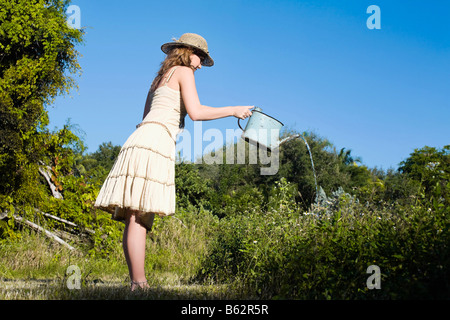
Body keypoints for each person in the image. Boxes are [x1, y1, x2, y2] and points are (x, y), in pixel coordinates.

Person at [94, 33, 253, 291]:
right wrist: (233, 110)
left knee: (134, 216)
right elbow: (196, 112)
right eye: (200, 56)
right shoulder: (184, 72)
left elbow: (145, 116)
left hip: (139, 138)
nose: (200, 64)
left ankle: (137, 282)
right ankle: (139, 283)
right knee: (139, 215)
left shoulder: (157, 80)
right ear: (187, 51)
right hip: (156, 141)